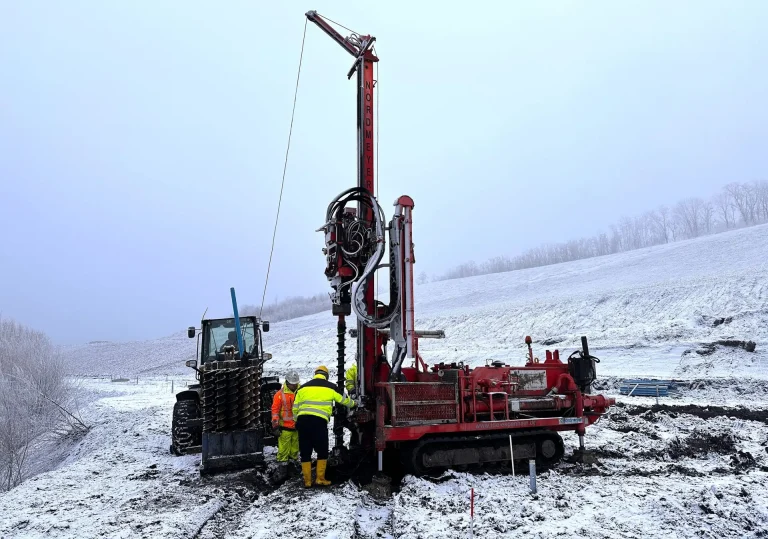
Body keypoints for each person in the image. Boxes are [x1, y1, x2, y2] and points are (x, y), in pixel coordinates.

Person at [292, 365, 355, 487]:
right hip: (319, 422)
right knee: (322, 451)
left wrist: (297, 421)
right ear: (326, 376)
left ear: (315, 374)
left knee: (305, 452)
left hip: (302, 422)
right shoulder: (331, 387)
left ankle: (307, 481)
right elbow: (344, 400)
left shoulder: (302, 388)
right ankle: (320, 478)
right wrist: (354, 404)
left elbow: (295, 408)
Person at [271, 371, 300, 478]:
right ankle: (282, 471)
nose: (294, 385)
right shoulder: (279, 395)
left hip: (296, 428)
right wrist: (275, 426)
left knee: (294, 450)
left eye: (295, 383)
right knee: (283, 451)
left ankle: (292, 469)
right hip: (285, 429)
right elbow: (275, 411)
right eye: (293, 383)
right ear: (287, 382)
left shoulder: (301, 392)